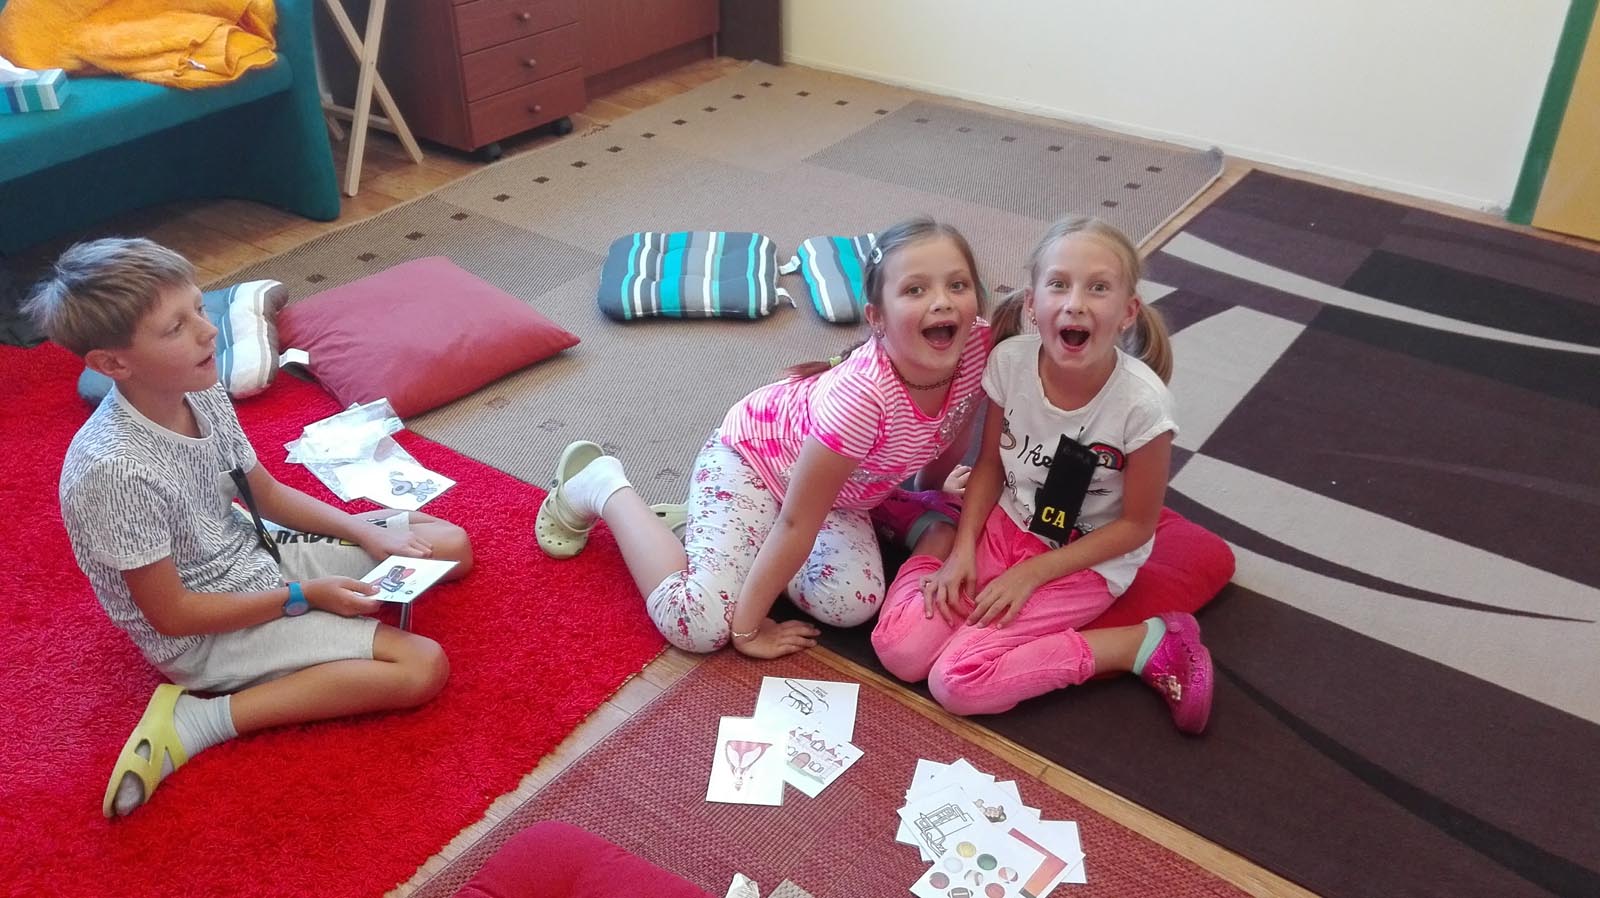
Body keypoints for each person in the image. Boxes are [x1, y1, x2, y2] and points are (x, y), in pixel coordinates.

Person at [24, 238, 474, 817]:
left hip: (249, 550)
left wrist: (366, 533)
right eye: (176, 327)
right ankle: (201, 718)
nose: (208, 331)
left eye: (198, 308)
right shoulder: (113, 471)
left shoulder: (200, 387)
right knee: (420, 666)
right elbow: (173, 616)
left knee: (449, 545)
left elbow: (264, 492)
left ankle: (318, 606)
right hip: (204, 631)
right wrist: (302, 596)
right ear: (112, 365)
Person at [534, 217, 993, 659]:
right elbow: (795, 523)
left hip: (832, 493)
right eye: (915, 290)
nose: (943, 302)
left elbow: (952, 426)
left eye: (958, 285)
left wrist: (931, 489)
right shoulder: (861, 399)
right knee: (697, 624)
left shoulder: (977, 346)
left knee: (849, 602)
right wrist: (747, 629)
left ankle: (720, 531)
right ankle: (602, 484)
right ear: (877, 317)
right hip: (751, 462)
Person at [869, 216, 1215, 733]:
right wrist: (961, 550)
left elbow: (1138, 526)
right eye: (1059, 284)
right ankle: (935, 535)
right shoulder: (1009, 363)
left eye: (1098, 288)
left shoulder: (1144, 407)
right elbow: (989, 465)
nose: (1075, 303)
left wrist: (1032, 573)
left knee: (957, 683)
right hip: (1003, 528)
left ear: (1128, 312)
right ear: (1032, 304)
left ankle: (1138, 644)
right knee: (899, 651)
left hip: (1083, 561)